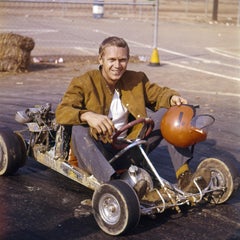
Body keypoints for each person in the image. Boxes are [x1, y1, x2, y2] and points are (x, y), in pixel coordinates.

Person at [55, 36, 209, 193]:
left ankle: (184, 177)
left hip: (130, 147)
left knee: (172, 112)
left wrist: (172, 98)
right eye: (112, 60)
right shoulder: (84, 82)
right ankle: (115, 185)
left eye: (122, 60)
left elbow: (159, 94)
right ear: (101, 59)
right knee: (78, 128)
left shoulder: (136, 80)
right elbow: (62, 112)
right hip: (98, 153)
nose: (117, 65)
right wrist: (87, 115)